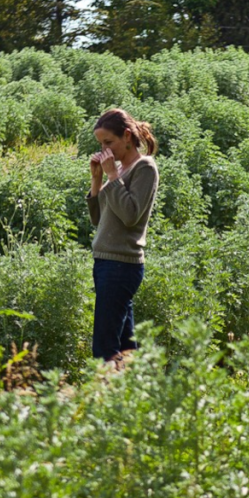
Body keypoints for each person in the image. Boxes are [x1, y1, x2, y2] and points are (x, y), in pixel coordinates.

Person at [86, 108, 159, 363]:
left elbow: (130, 215)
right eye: (100, 144)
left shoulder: (144, 167)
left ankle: (106, 386)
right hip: (105, 262)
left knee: (104, 346)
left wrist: (112, 176)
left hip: (121, 265)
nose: (104, 149)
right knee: (126, 348)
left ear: (127, 136)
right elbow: (98, 219)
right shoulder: (117, 170)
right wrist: (97, 181)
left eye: (109, 142)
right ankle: (134, 385)